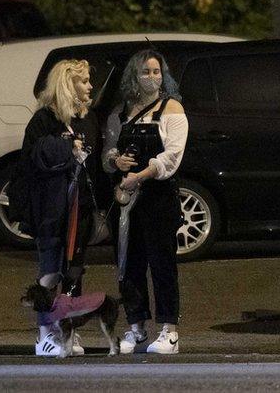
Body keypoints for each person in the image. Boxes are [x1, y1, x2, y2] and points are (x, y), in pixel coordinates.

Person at [102, 49, 189, 354]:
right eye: (145, 72)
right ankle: (136, 326)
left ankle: (169, 331)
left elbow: (172, 157)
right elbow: (108, 153)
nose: (152, 77)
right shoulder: (121, 112)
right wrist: (117, 161)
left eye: (156, 71)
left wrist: (139, 175)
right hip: (127, 200)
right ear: (133, 76)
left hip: (158, 197)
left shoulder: (172, 108)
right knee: (129, 263)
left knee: (162, 263)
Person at [21, 59, 100, 356]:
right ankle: (44, 334)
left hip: (80, 208)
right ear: (67, 84)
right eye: (84, 81)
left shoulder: (88, 118)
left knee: (74, 271)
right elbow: (30, 165)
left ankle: (69, 331)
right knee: (50, 271)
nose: (90, 86)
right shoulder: (43, 120)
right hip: (51, 210)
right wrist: (67, 149)